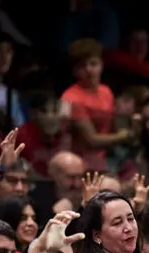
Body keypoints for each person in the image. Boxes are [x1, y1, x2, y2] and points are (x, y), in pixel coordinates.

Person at [61, 39, 122, 172]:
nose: (89, 70)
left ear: (102, 65)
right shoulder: (70, 98)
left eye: (93, 64)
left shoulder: (107, 92)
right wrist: (125, 136)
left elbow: (113, 127)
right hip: (78, 164)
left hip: (105, 159)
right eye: (82, 66)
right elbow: (92, 140)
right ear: (74, 70)